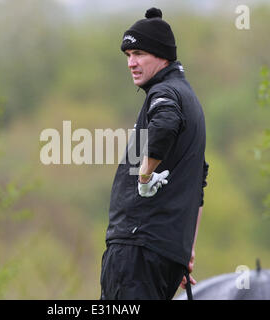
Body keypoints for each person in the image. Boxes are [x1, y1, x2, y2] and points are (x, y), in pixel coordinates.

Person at [100, 7, 209, 300]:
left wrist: (145, 175)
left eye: (138, 54)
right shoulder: (188, 98)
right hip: (165, 252)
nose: (131, 63)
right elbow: (199, 181)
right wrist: (187, 248)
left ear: (162, 55)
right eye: (127, 56)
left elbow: (165, 125)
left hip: (137, 250)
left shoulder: (166, 93)